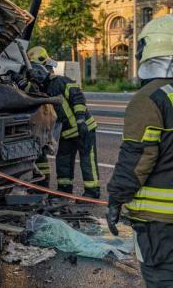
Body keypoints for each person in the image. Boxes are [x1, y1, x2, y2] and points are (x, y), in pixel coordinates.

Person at [107, 15, 173, 287]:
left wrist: (115, 198)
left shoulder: (149, 99)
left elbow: (136, 158)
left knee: (162, 279)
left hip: (160, 222)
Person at [28, 61, 100, 198]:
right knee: (63, 161)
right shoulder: (43, 90)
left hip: (84, 128)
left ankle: (92, 192)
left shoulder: (61, 81)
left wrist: (80, 120)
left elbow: (78, 97)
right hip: (67, 133)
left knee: (87, 161)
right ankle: (64, 190)